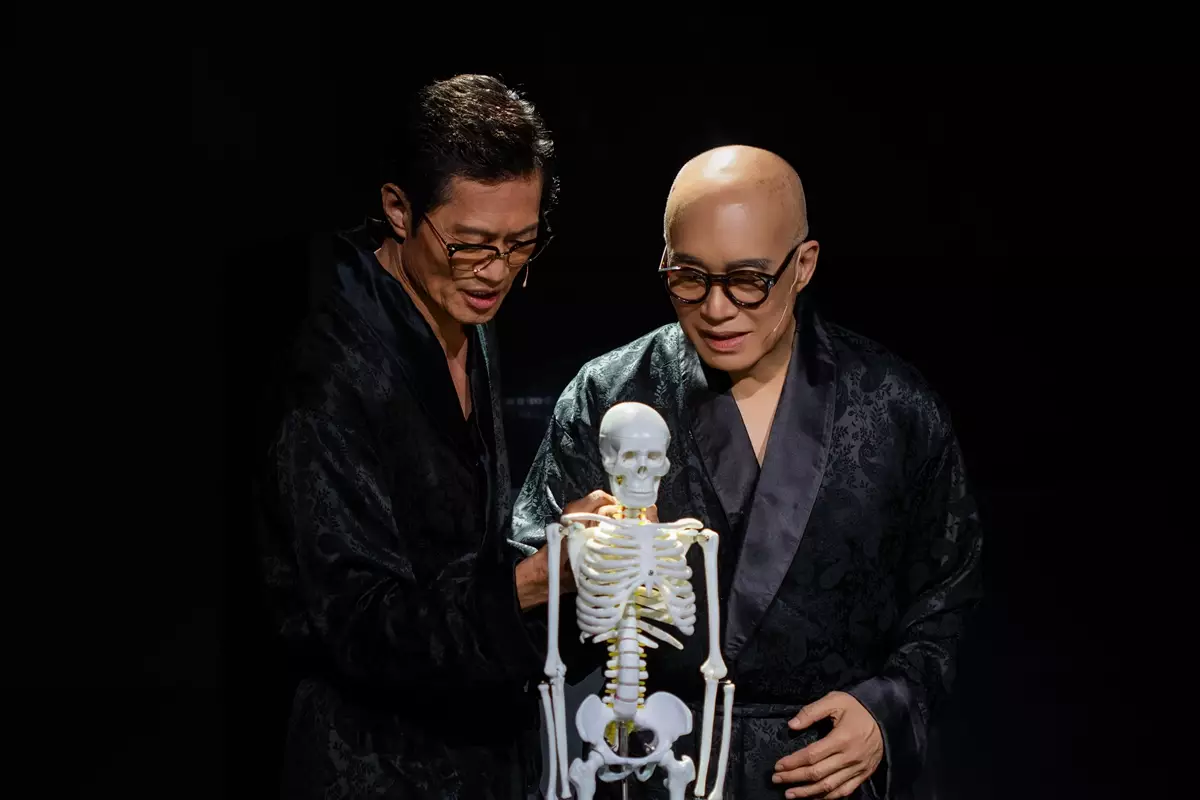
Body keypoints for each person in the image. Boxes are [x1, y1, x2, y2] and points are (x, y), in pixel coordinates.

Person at [511, 145, 984, 800]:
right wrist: (568, 571)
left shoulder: (893, 406)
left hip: (824, 774)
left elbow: (949, 589)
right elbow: (526, 616)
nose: (716, 308)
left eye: (748, 280)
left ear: (803, 265)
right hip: (656, 764)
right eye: (688, 277)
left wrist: (889, 708)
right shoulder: (609, 396)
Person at [255, 73, 608, 799]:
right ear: (398, 208)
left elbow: (455, 557)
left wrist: (554, 549)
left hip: (473, 752)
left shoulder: (460, 306)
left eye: (521, 244)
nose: (497, 272)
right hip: (368, 766)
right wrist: (530, 583)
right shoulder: (327, 369)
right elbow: (355, 625)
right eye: (471, 244)